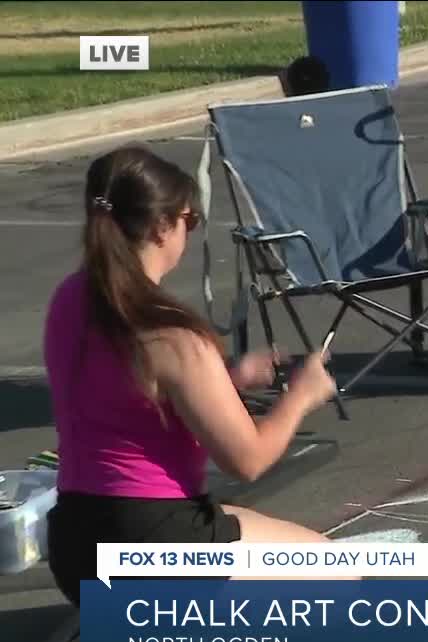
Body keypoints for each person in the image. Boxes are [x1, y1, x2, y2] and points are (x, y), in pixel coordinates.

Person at [43, 145, 348, 607]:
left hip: (75, 542)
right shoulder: (173, 335)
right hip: (155, 544)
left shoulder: (71, 298)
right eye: (190, 220)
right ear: (162, 226)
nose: (190, 230)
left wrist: (224, 379)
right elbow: (248, 460)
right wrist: (301, 396)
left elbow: (122, 390)